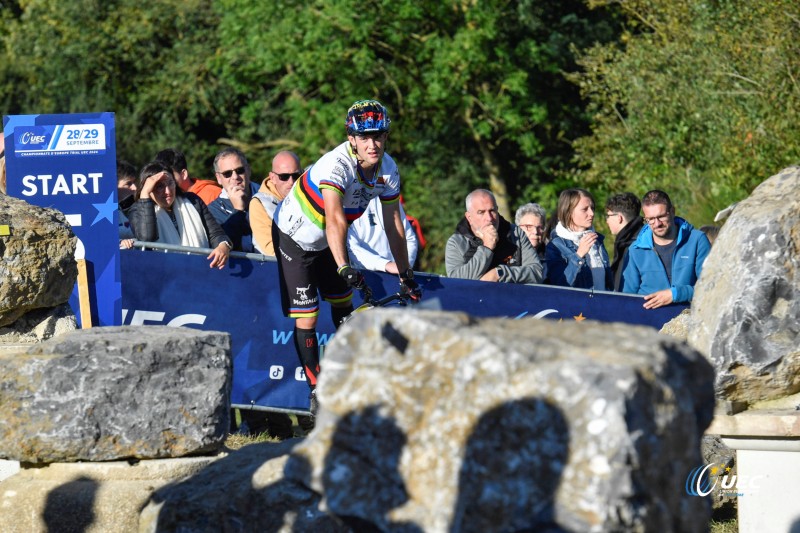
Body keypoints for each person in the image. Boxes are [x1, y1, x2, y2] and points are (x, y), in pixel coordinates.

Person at [273, 99, 420, 417]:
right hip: (294, 237)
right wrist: (343, 265)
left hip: (328, 240)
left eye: (378, 136)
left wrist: (405, 273)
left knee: (343, 307)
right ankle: (317, 392)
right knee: (308, 317)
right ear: (351, 138)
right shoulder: (336, 165)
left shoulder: (388, 169)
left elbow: (395, 224)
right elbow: (335, 219)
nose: (373, 143)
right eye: (365, 137)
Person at [127, 161, 231, 269]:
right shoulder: (137, 210)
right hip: (163, 276)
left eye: (170, 183)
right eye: (159, 186)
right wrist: (144, 195)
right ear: (148, 188)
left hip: (200, 272)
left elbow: (215, 233)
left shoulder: (192, 200)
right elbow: (147, 238)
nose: (168, 191)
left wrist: (223, 245)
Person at [622, 190, 711, 309]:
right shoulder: (635, 250)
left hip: (689, 318)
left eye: (661, 216)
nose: (657, 223)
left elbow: (711, 287)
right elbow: (626, 298)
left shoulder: (697, 240)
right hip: (648, 321)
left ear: (672, 211)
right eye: (651, 219)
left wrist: (676, 294)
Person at [445, 189, 543, 284]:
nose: (489, 218)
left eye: (492, 211)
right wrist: (486, 248)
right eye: (481, 212)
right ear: (469, 217)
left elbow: (537, 272)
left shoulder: (515, 233)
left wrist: (501, 273)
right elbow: (456, 282)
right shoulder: (456, 243)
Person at [545, 188, 612, 290]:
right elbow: (559, 284)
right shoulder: (555, 246)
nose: (592, 213)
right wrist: (579, 255)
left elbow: (608, 283)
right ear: (568, 212)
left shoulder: (597, 240)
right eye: (585, 209)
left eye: (592, 208)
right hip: (575, 305)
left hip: (603, 304)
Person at [347, 195, 419, 273]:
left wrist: (405, 266)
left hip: (397, 276)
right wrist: (386, 265)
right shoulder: (347, 202)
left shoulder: (391, 198)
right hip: (364, 276)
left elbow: (410, 238)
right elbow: (351, 247)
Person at [249, 151, 302, 255]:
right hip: (274, 267)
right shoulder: (259, 203)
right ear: (272, 177)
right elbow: (270, 248)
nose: (291, 181)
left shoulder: (307, 196)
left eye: (296, 175)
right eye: (284, 176)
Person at [209, 147, 259, 252]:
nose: (235, 177)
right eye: (227, 174)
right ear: (218, 178)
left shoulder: (266, 196)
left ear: (248, 170)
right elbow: (224, 247)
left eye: (240, 170)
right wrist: (238, 211)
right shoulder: (212, 212)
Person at [604, 192, 644, 291]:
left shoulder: (633, 245)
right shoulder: (640, 238)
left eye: (608, 216)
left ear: (619, 218)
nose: (607, 220)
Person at [154, 147, 221, 205]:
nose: (166, 186)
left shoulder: (212, 194)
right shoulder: (165, 201)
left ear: (183, 174)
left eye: (170, 178)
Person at [117, 160, 138, 249]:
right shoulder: (97, 213)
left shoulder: (121, 209)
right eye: (128, 183)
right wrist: (120, 242)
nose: (134, 188)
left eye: (134, 182)